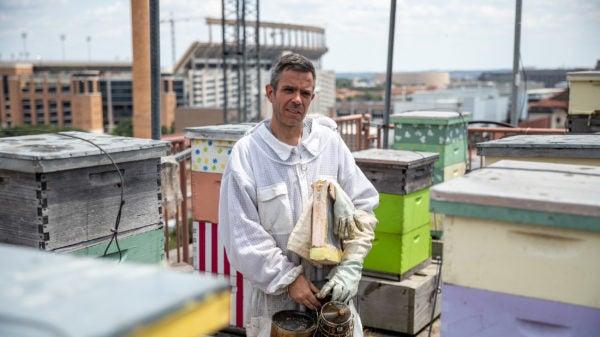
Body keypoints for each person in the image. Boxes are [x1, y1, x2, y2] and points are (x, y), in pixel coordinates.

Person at [218, 52, 379, 337]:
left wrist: (351, 265)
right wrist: (289, 278)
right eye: (289, 90)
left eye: (305, 93)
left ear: (312, 96)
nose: (297, 100)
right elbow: (241, 234)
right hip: (276, 303)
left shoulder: (329, 143)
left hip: (333, 298)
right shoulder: (248, 154)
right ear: (270, 92)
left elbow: (364, 204)